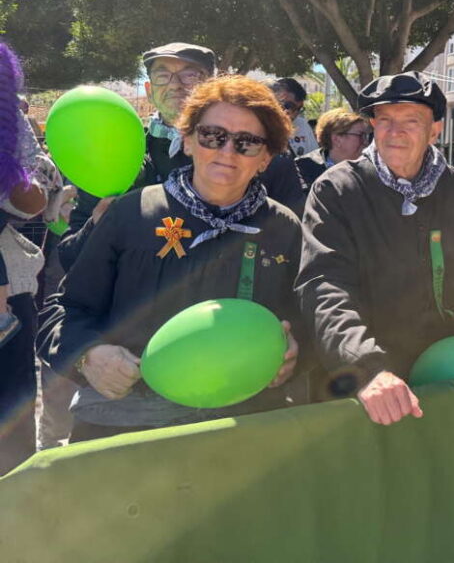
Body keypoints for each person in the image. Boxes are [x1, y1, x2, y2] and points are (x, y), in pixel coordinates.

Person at [47, 76, 302, 442]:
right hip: (126, 423)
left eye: (247, 142)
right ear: (187, 140)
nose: (227, 151)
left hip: (239, 424)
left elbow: (302, 318)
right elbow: (65, 309)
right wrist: (88, 355)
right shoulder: (132, 214)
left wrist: (297, 352)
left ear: (266, 158)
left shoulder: (283, 228)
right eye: (212, 135)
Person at [297, 72, 454, 426]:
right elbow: (325, 286)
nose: (394, 132)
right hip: (376, 393)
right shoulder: (337, 190)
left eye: (410, 121)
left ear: (435, 130)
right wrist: (367, 368)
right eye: (384, 120)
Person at [60, 44, 306, 268]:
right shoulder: (116, 156)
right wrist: (96, 226)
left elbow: (296, 251)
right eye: (162, 75)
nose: (175, 84)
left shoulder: (265, 159)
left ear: (211, 85)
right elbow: (70, 260)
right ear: (149, 89)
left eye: (190, 75)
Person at [0, 44, 62, 473]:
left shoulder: (10, 124)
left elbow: (32, 200)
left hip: (9, 300)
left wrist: (12, 171)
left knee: (11, 428)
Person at [295, 108, 371, 188]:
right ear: (337, 139)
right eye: (360, 135)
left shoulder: (370, 168)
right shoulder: (303, 167)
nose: (366, 142)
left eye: (366, 136)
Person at [271, 77, 318, 157]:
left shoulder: (303, 125)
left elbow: (315, 160)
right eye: (289, 105)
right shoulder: (257, 126)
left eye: (299, 109)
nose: (293, 114)